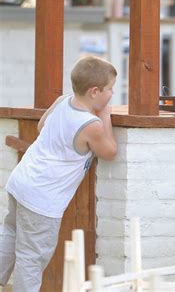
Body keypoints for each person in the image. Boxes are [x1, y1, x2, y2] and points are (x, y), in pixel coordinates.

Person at [0, 56, 118, 291]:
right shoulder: (90, 124)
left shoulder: (62, 101)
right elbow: (109, 152)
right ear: (95, 92)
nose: (112, 94)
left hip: (21, 181)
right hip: (42, 199)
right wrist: (105, 116)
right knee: (32, 256)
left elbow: (41, 126)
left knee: (10, 234)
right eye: (110, 89)